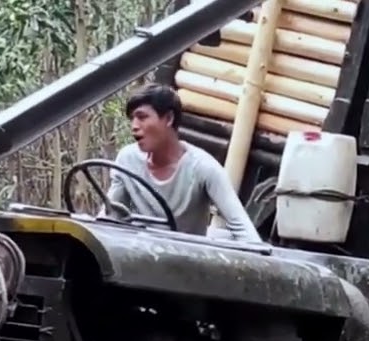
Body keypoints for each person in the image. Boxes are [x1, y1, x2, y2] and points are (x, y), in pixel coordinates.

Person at [104, 83, 264, 244]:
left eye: (142, 117)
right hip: (137, 254)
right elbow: (110, 217)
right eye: (132, 119)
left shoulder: (202, 167)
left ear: (168, 118)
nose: (134, 126)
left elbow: (242, 227)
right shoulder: (127, 160)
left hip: (184, 260)